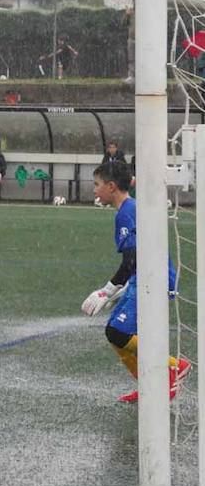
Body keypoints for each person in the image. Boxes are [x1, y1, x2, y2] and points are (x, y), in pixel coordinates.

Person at [83, 160, 189, 403]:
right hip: (144, 277)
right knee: (116, 334)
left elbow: (132, 259)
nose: (94, 190)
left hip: (154, 279)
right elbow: (139, 257)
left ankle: (175, 366)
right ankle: (150, 386)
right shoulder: (129, 209)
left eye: (96, 184)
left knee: (117, 332)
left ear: (111, 186)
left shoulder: (127, 212)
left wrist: (107, 291)